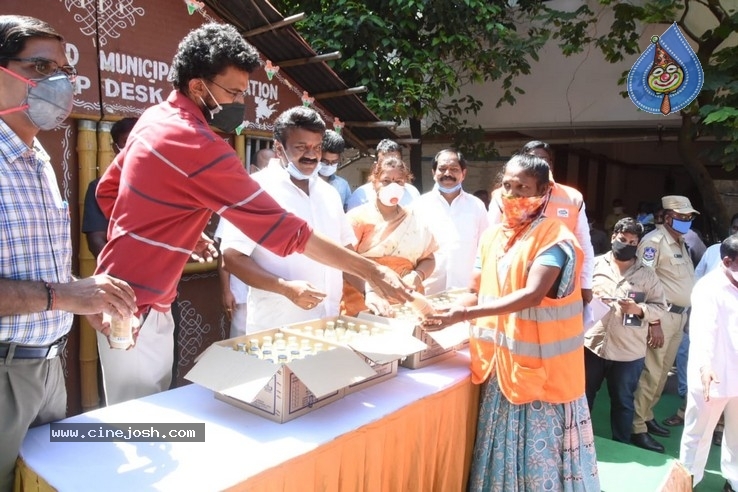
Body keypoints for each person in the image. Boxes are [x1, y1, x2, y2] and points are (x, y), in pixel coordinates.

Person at [94, 23, 410, 405]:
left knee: (139, 413)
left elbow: (108, 191)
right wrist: (373, 271)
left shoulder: (155, 118)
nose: (239, 103)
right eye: (233, 92)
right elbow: (290, 234)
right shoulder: (197, 143)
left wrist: (175, 229)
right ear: (198, 87)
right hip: (135, 305)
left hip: (128, 293)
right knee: (137, 419)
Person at [0, 15, 137, 491]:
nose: (57, 82)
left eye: (62, 70)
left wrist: (83, 303)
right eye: (40, 67)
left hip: (48, 366)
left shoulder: (36, 157)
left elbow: (42, 274)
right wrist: (67, 296)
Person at [424, 153, 599, 491]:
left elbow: (533, 294)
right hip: (501, 372)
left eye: (524, 188)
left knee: (540, 468)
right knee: (498, 464)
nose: (514, 196)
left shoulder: (556, 238)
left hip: (544, 382)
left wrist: (462, 315)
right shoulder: (493, 237)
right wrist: (431, 309)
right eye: (508, 186)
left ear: (544, 192)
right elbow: (476, 291)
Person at [219, 107, 356, 332]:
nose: (311, 155)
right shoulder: (255, 190)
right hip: (277, 327)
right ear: (279, 149)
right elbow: (232, 258)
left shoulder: (329, 193)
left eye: (317, 147)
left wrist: (371, 291)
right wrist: (285, 288)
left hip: (328, 322)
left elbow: (346, 251)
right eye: (301, 147)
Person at [584, 218, 667, 444]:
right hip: (593, 345)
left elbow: (661, 307)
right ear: (613, 238)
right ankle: (580, 442)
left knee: (623, 400)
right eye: (622, 240)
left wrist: (639, 309)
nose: (627, 244)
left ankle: (621, 444)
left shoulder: (647, 275)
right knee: (584, 396)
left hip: (628, 351)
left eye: (632, 241)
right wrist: (591, 299)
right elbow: (576, 296)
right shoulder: (594, 265)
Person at [488, 140, 595, 304]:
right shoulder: (501, 196)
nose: (538, 163)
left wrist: (586, 283)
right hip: (512, 277)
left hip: (560, 283)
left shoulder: (573, 197)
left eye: (544, 160)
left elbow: (584, 244)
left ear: (551, 164)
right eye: (532, 158)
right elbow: (491, 241)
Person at [630, 195, 697, 452]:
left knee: (662, 371)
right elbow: (642, 282)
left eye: (689, 218)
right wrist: (653, 321)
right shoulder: (654, 243)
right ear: (668, 217)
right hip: (662, 316)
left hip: (679, 316)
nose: (687, 222)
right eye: (682, 217)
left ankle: (646, 416)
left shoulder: (679, 242)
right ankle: (636, 427)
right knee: (652, 372)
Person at [342, 156, 437, 316]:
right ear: (374, 183)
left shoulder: (415, 219)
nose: (393, 187)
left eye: (399, 182)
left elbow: (429, 259)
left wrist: (417, 275)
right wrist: (369, 292)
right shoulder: (357, 218)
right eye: (386, 181)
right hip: (363, 302)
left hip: (407, 303)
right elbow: (344, 261)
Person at [679, 235, 738, 492]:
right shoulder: (708, 288)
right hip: (712, 375)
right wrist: (705, 366)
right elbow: (703, 331)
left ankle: (734, 482)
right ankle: (688, 482)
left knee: (737, 436)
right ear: (727, 261)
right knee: (699, 433)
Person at [415, 149, 488, 295]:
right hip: (427, 290)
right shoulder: (419, 205)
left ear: (464, 174)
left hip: (466, 291)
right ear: (433, 173)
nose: (448, 173)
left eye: (454, 169)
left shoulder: (476, 206)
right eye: (442, 169)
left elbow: (485, 247)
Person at [81, 117, 137, 258]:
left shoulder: (160, 183)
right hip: (121, 273)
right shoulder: (99, 188)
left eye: (138, 140)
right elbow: (96, 240)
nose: (134, 146)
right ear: (115, 147)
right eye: (126, 141)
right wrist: (119, 273)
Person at [345, 139, 420, 210]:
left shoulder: (412, 193)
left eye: (395, 161)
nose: (391, 166)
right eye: (385, 162)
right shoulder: (360, 195)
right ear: (376, 166)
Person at [317, 129, 351, 210]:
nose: (329, 166)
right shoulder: (305, 181)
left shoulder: (343, 185)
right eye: (325, 161)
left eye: (334, 162)